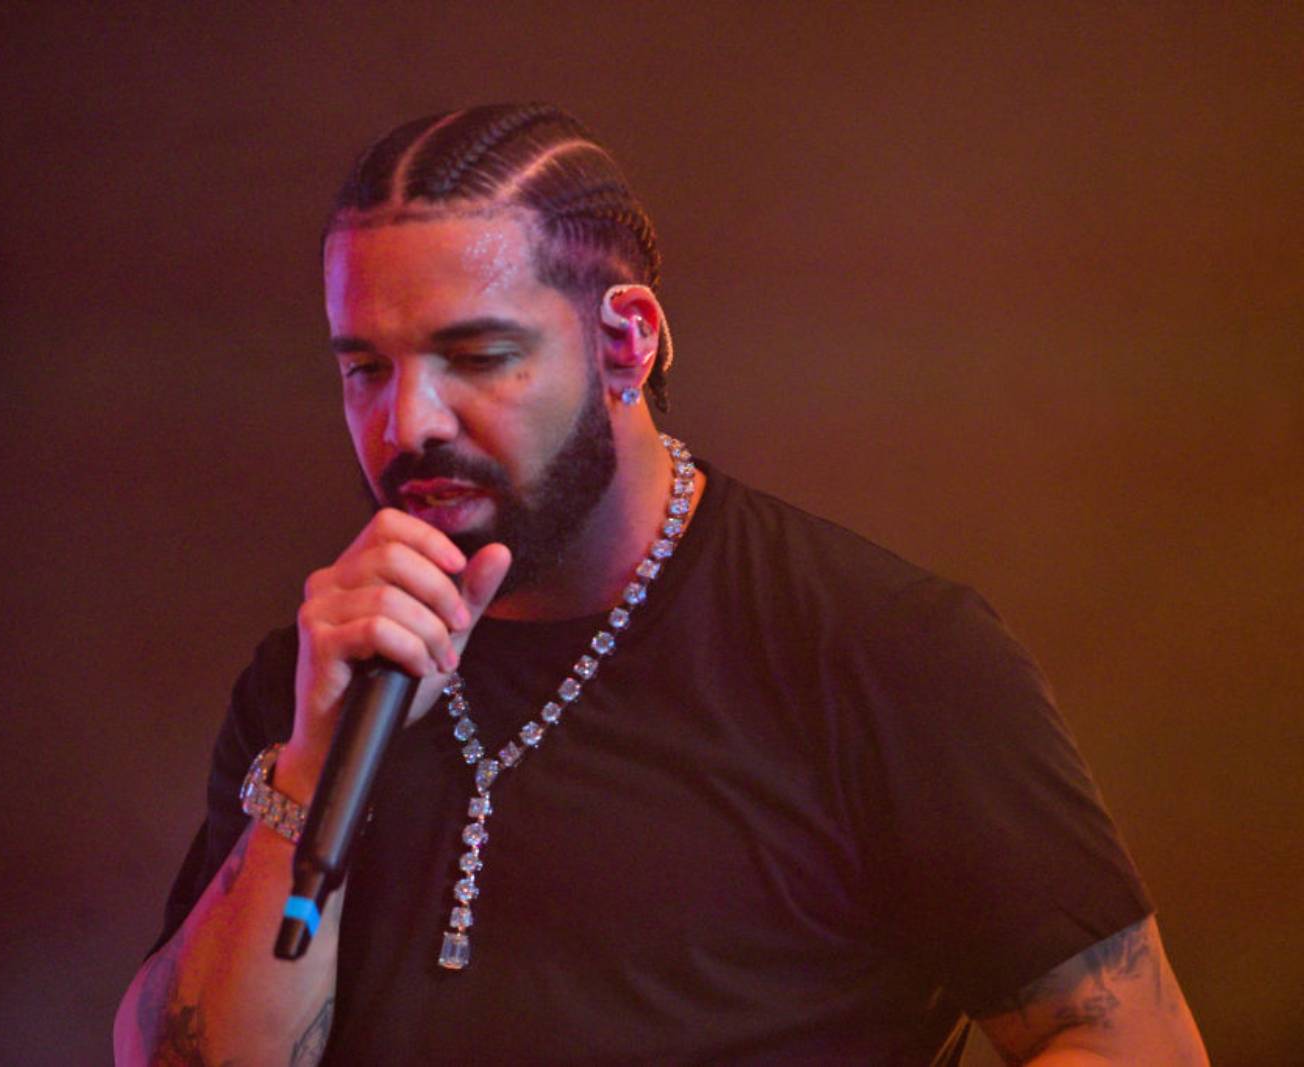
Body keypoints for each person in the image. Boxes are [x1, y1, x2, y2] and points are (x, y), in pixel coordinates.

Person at [114, 103, 1207, 1065]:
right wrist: (305, 762)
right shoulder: (318, 676)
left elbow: (1127, 1035)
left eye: (477, 355)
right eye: (366, 368)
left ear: (625, 341)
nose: (409, 424)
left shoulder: (883, 650)